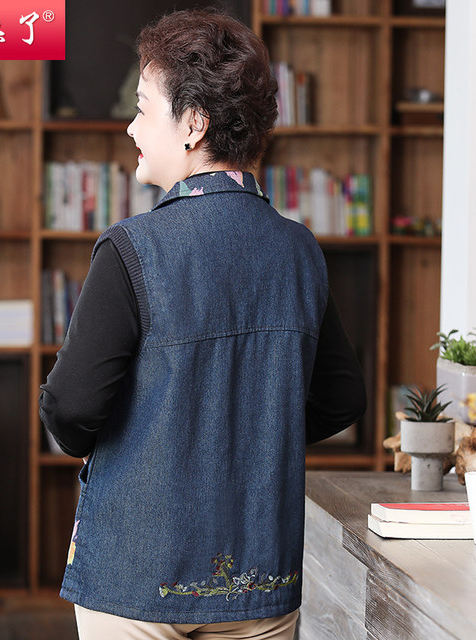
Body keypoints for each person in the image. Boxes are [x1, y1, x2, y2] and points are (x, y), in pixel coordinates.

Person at [39, 8, 367, 640]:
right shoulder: (298, 251)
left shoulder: (131, 249)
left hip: (135, 577)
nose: (131, 126)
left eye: (143, 108)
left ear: (193, 124)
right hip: (257, 579)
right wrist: (252, 435)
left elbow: (70, 411)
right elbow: (342, 398)